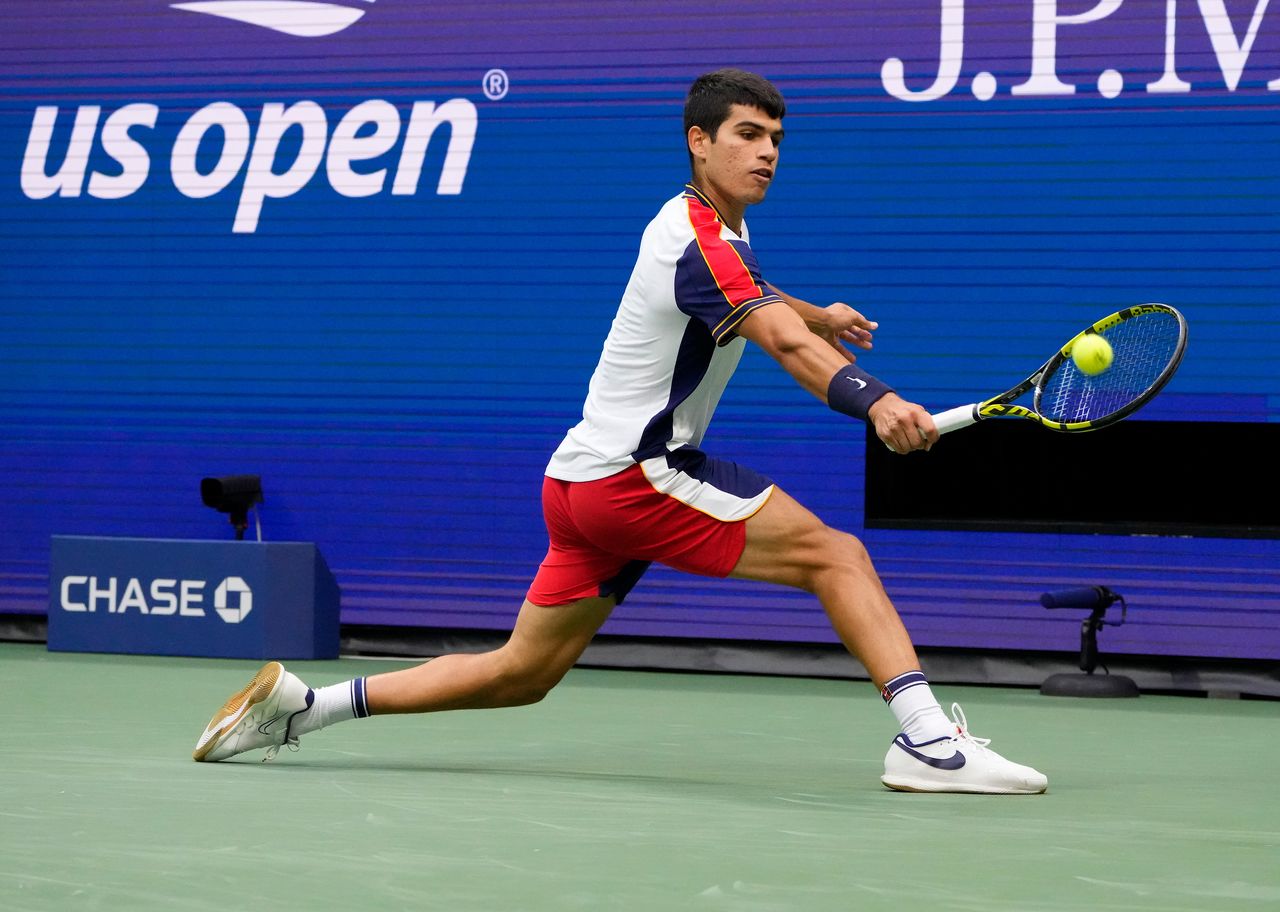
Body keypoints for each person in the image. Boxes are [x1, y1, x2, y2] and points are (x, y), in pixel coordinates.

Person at [193, 69, 1047, 794]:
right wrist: (875, 400)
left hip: (578, 483)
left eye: (777, 139)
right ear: (698, 142)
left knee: (524, 672)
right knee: (837, 556)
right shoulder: (697, 237)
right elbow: (774, 337)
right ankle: (927, 742)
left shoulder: (708, 231)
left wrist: (816, 312)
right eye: (747, 135)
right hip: (639, 476)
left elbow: (756, 296)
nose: (767, 153)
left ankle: (305, 707)